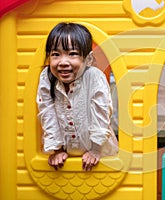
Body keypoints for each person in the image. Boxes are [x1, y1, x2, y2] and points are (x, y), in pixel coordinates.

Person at [36, 22, 118, 171]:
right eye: (56, 54)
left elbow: (101, 112)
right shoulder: (47, 77)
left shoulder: (94, 77)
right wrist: (57, 149)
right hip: (65, 151)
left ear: (88, 59)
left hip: (100, 152)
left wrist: (96, 148)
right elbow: (47, 112)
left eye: (72, 54)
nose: (63, 62)